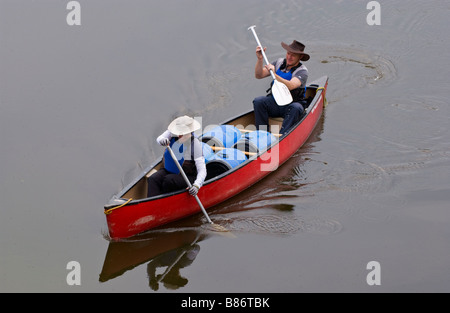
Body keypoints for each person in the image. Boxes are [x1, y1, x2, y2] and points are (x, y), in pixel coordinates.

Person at [253, 40, 310, 135]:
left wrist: (274, 74)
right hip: (275, 103)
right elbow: (259, 75)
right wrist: (260, 59)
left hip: (292, 105)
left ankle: (283, 136)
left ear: (300, 57)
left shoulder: (302, 71)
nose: (289, 57)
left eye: (293, 55)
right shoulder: (279, 63)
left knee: (296, 108)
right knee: (259, 101)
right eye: (288, 53)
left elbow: (291, 85)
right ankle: (262, 133)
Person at [147, 116, 206, 197]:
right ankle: (152, 204)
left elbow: (202, 170)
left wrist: (196, 185)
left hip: (188, 176)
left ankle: (164, 201)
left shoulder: (195, 144)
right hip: (170, 170)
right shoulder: (172, 133)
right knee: (153, 179)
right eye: (179, 133)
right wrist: (162, 140)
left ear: (189, 132)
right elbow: (159, 139)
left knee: (168, 180)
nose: (179, 136)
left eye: (182, 134)